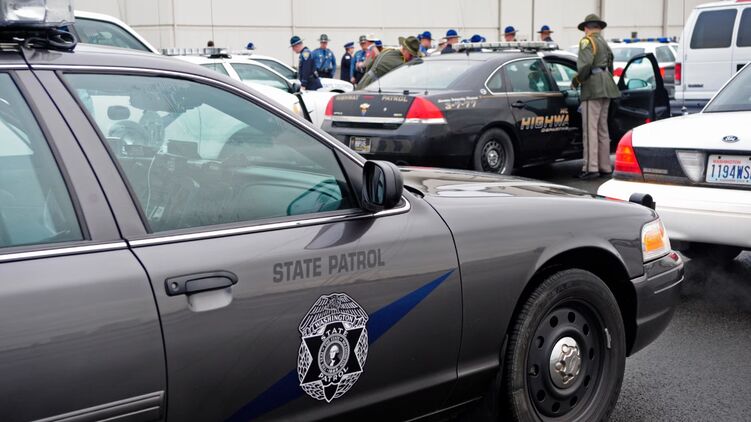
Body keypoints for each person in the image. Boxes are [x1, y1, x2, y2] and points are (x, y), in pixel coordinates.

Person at [571, 14, 620, 179]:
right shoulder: (604, 42)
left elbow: (585, 65)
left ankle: (590, 168)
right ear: (598, 27)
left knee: (590, 129)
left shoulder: (587, 41)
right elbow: (610, 62)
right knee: (602, 129)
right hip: (606, 86)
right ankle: (605, 166)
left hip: (592, 88)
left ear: (586, 28)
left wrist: (577, 80)